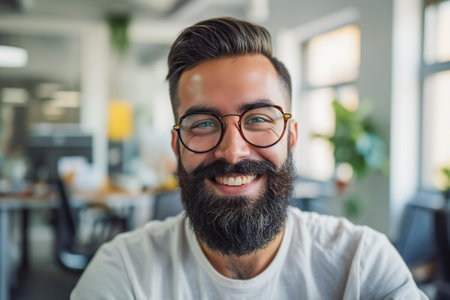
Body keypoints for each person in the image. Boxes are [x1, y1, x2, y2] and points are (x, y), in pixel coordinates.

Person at [71, 17, 427, 299]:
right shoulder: (124, 273)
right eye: (204, 124)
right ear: (177, 146)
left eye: (258, 119)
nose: (233, 151)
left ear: (290, 137)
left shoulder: (361, 263)